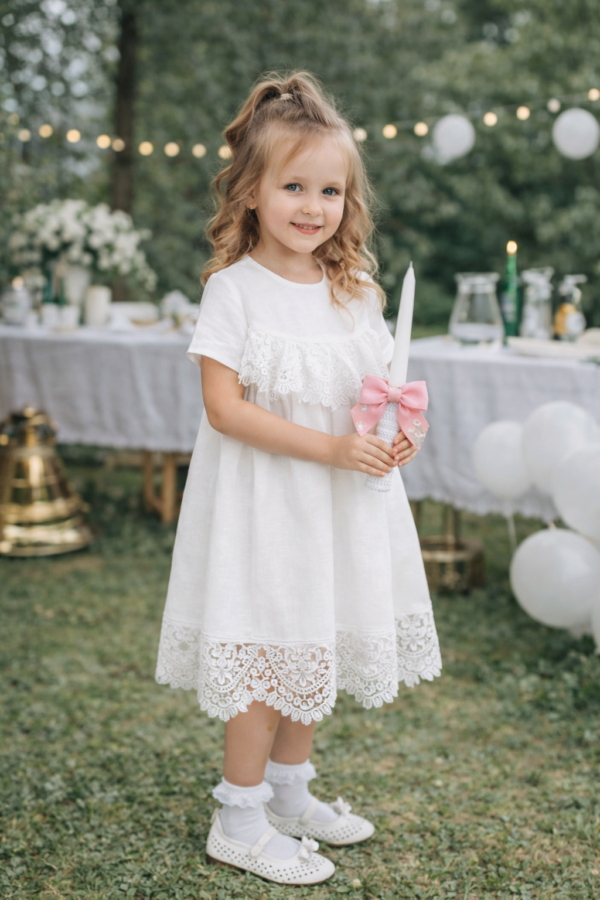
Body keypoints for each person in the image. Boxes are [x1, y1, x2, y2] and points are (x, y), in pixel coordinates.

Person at [155, 70, 442, 886]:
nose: (313, 207)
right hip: (266, 507)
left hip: (338, 505)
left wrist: (400, 433)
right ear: (250, 191)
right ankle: (239, 817)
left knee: (313, 639)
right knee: (265, 648)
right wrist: (331, 450)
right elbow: (223, 411)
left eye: (331, 191)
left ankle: (288, 791)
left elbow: (379, 393)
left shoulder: (355, 295)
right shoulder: (234, 292)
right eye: (293, 187)